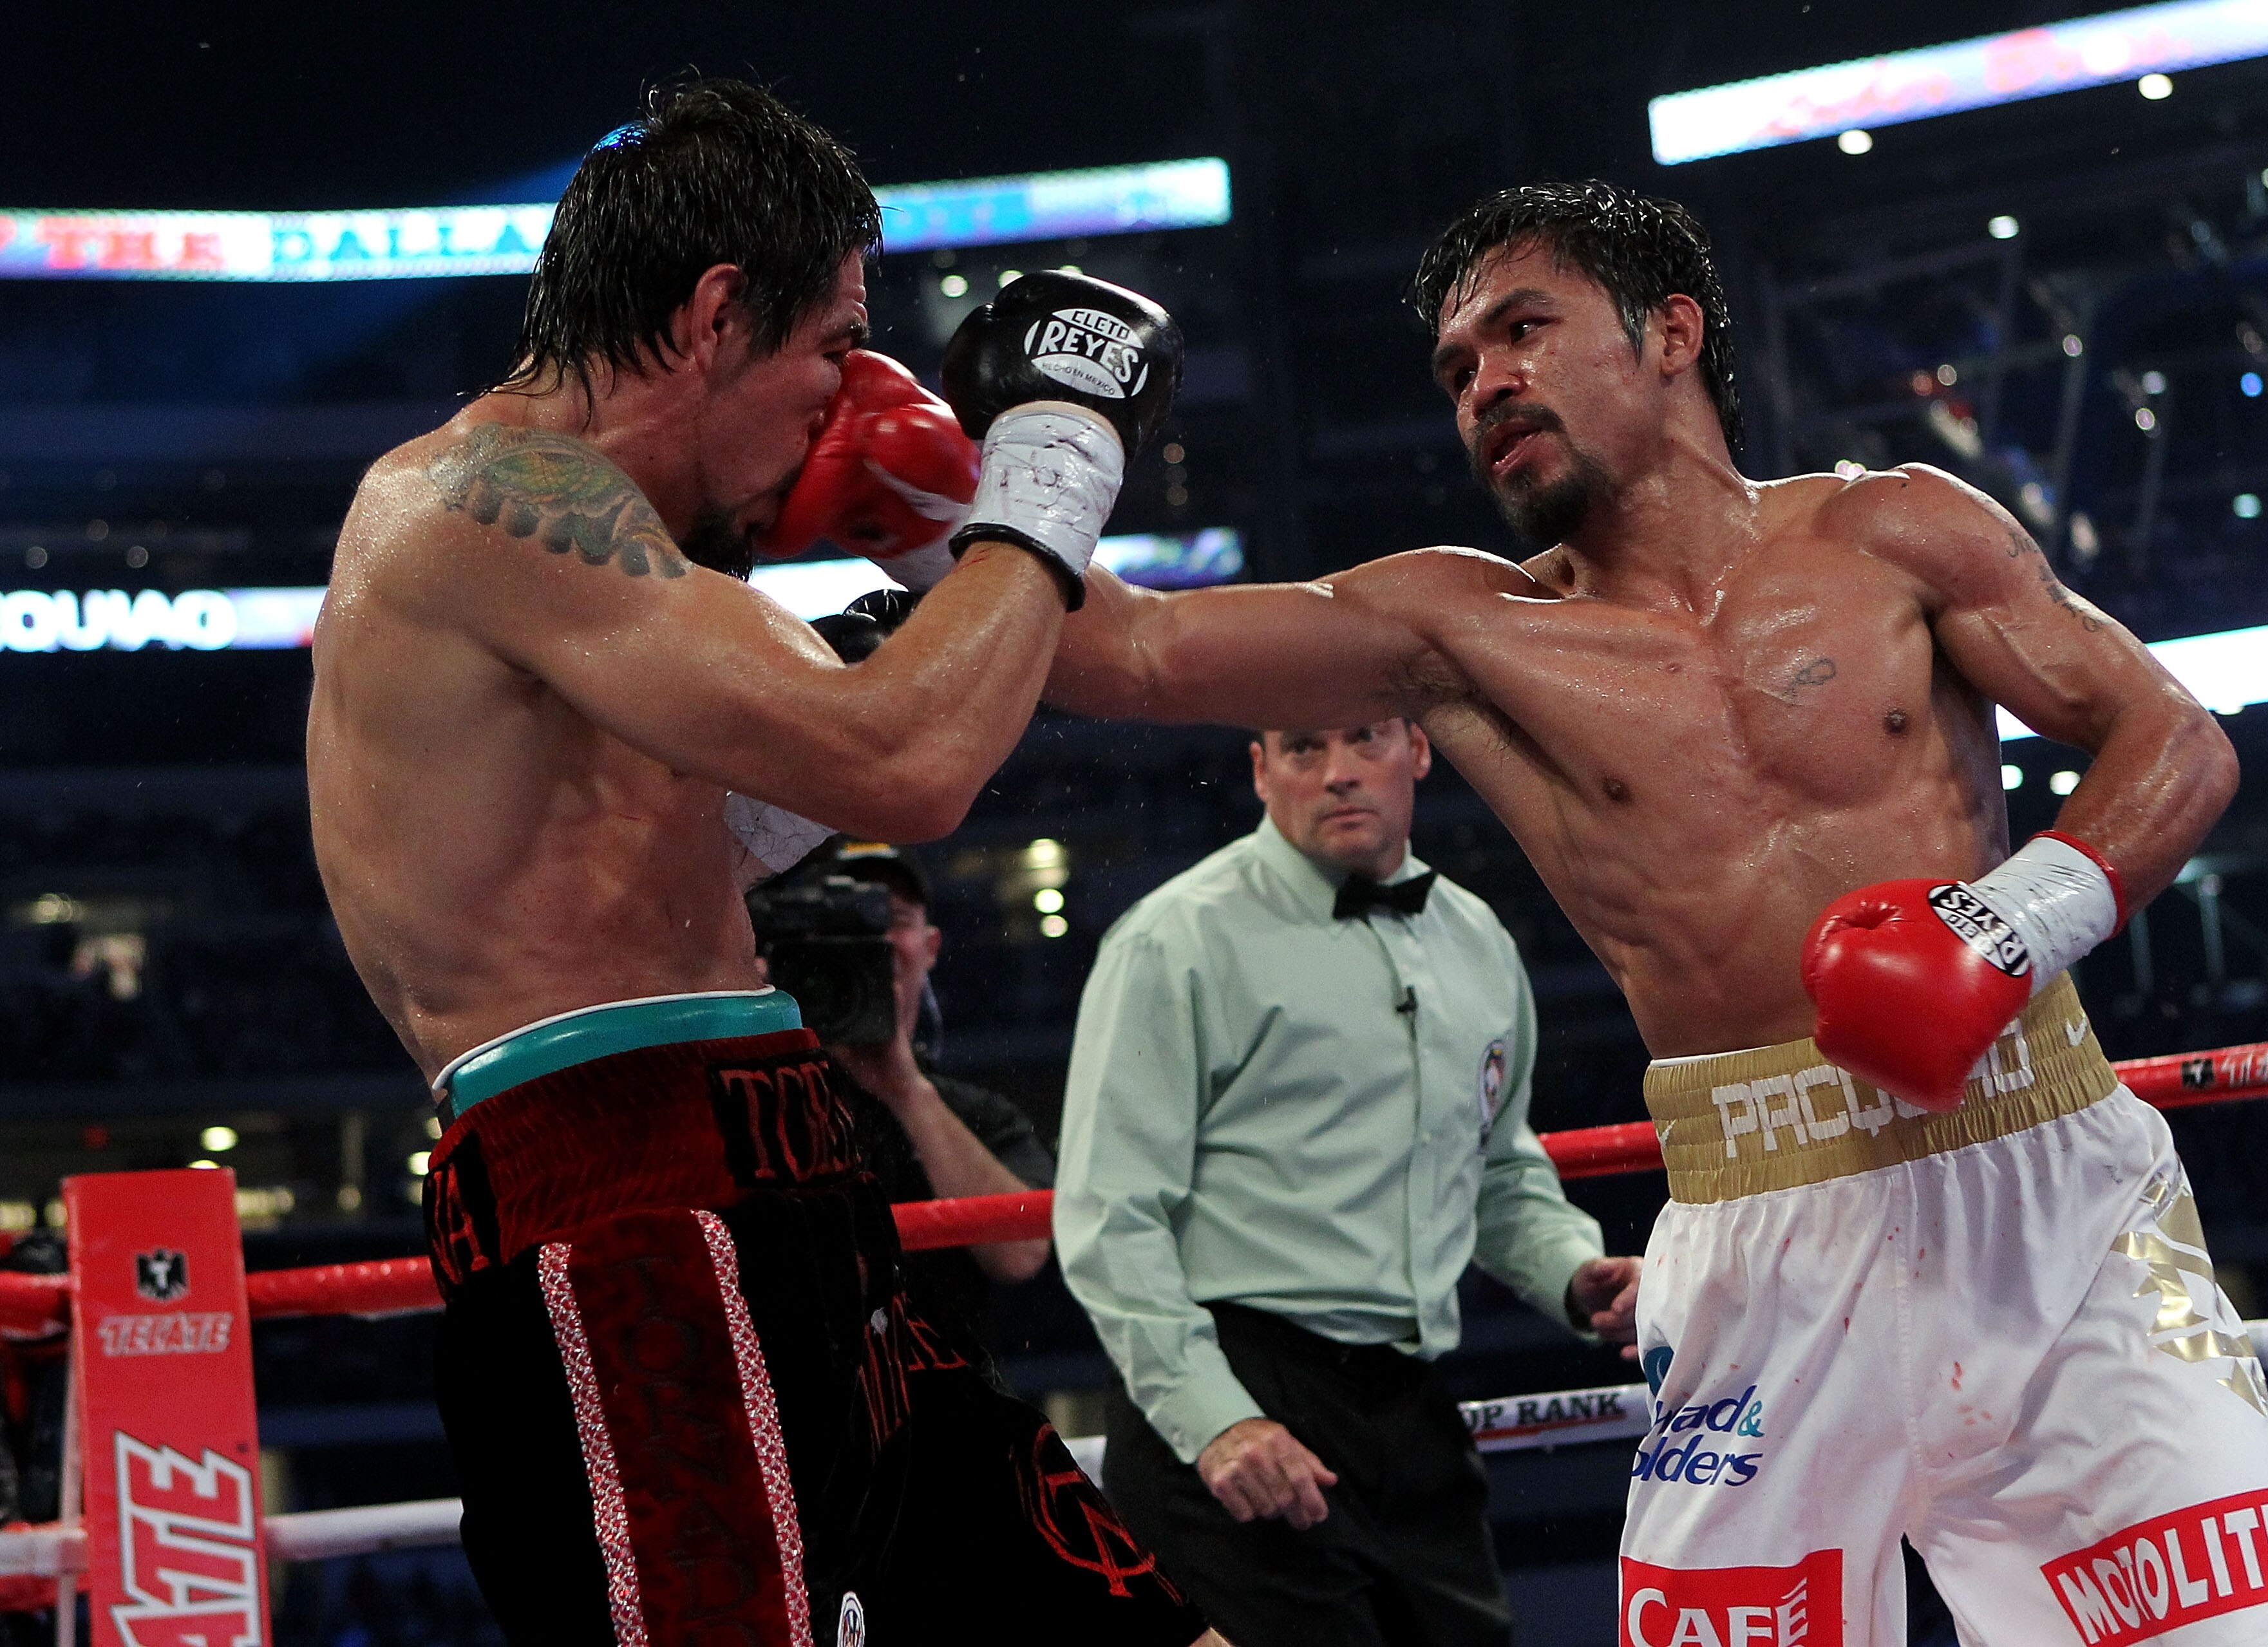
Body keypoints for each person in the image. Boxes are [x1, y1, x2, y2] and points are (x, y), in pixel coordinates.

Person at [1029, 182, 2268, 1645]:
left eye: (1522, 331)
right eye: (1455, 370)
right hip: (1760, 1243)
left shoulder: (1899, 530)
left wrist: (2004, 930)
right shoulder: (1461, 629)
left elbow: (2174, 740)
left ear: (1670, 330)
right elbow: (1135, 651)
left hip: (2046, 1194)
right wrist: (1009, 462)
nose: (1484, 381)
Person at [306, 79, 1215, 1646]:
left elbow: (715, 830)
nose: (851, 387)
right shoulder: (480, 505)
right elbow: (908, 764)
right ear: (718, 312)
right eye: (836, 342)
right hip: (633, 1216)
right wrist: (1053, 459)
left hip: (796, 1179)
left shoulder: (631, 578)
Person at [1055, 715, 1636, 1646]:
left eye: (1364, 741)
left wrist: (1576, 1270)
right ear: (1259, 770)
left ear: (1417, 750)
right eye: (1303, 750)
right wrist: (1214, 1421)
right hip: (1233, 1389)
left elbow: (1496, 1168)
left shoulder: (1473, 937)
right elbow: (1109, 1216)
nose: (1337, 775)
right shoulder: (1176, 938)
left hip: (1407, 1407)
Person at [813, 838, 1057, 1341]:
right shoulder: (775, 1104)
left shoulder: (979, 1114)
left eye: (895, 918)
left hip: (954, 1400)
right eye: (855, 921)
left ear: (930, 947)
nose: (876, 940)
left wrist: (905, 1089)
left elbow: (1021, 1253)